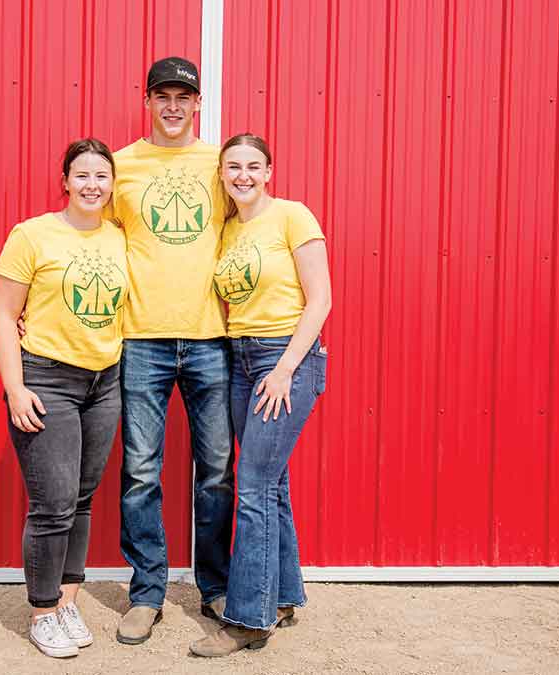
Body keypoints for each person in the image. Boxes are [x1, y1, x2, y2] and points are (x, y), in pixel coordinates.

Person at [190, 133, 331, 657]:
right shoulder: (226, 229)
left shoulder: (294, 216)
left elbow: (320, 298)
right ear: (223, 174)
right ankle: (285, 594)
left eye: (253, 165)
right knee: (270, 484)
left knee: (251, 486)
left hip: (285, 356)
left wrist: (285, 369)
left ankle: (249, 618)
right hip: (240, 358)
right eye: (233, 167)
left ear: (269, 171)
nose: (243, 175)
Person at [112, 57, 235, 645]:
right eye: (162, 95)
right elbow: (95, 235)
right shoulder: (121, 165)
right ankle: (147, 592)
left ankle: (214, 586)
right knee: (140, 471)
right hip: (141, 338)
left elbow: (254, 228)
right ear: (147, 101)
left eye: (183, 96)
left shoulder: (220, 163)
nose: (173, 106)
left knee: (215, 472)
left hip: (211, 335)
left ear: (198, 103)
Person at [0, 138, 128, 659]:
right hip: (47, 379)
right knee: (51, 505)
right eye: (83, 175)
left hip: (105, 381)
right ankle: (43, 611)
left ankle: (68, 600)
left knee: (82, 498)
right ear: (65, 181)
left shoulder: (119, 237)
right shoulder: (31, 236)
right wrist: (15, 386)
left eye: (102, 176)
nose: (93, 185)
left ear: (112, 185)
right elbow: (4, 315)